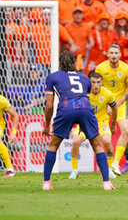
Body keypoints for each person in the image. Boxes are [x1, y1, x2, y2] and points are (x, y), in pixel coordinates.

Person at [42, 51, 115, 191]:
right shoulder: (85, 78)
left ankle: (46, 183)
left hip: (66, 108)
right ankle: (106, 182)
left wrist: (46, 125)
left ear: (59, 62)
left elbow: (50, 105)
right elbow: (87, 102)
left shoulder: (52, 77)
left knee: (53, 145)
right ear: (74, 63)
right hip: (85, 109)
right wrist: (82, 125)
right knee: (97, 145)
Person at [69, 72, 118, 179]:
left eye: (98, 82)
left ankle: (109, 169)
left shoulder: (108, 94)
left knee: (107, 141)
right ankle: (74, 170)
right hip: (85, 122)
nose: (96, 85)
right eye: (93, 82)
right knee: (75, 141)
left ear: (102, 83)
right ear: (89, 82)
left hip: (102, 122)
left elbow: (115, 108)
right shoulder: (83, 93)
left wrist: (113, 124)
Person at [95, 44, 128, 175]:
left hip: (121, 104)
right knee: (104, 138)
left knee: (126, 131)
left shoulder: (127, 69)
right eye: (111, 53)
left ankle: (115, 163)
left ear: (119, 55)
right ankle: (105, 165)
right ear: (107, 54)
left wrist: (115, 104)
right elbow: (96, 88)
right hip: (104, 106)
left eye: (115, 53)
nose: (113, 55)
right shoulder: (100, 68)